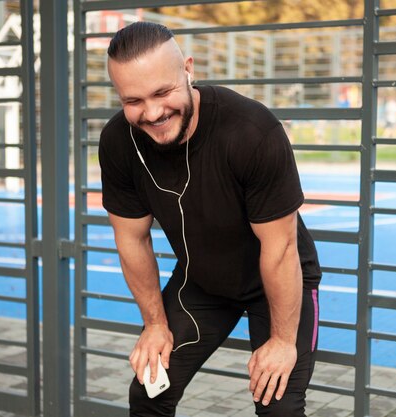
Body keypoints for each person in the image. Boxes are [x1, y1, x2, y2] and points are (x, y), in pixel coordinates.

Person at [99, 21, 321, 417]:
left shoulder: (252, 131)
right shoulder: (118, 142)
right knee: (149, 392)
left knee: (279, 408)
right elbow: (132, 239)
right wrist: (154, 325)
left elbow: (281, 246)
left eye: (162, 92)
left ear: (188, 69)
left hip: (276, 280)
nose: (152, 113)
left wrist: (283, 341)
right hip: (201, 280)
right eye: (133, 101)